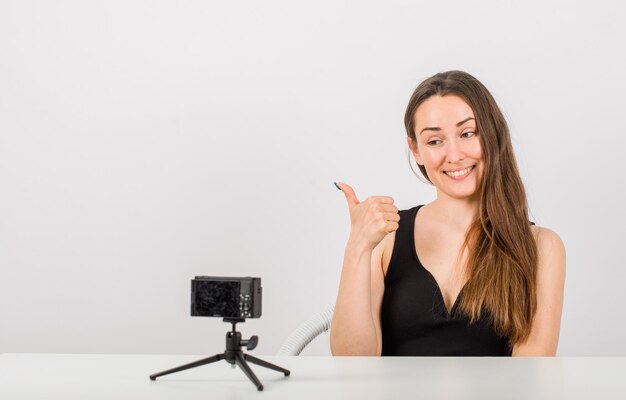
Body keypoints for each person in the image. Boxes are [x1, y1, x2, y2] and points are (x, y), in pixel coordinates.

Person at [330, 70, 566, 356]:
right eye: (434, 141)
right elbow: (352, 364)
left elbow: (530, 376)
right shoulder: (387, 237)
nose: (454, 155)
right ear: (415, 150)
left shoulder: (542, 247)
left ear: (492, 134)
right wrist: (357, 246)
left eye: (467, 134)